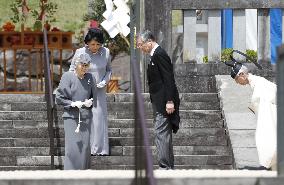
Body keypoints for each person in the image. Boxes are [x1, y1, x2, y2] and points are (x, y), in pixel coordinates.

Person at [137, 30, 180, 170]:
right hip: (159, 101)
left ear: (149, 42)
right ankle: (168, 167)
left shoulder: (160, 54)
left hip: (164, 102)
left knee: (161, 133)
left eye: (141, 44)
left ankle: (164, 167)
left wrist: (169, 100)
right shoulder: (154, 55)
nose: (140, 47)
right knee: (164, 134)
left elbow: (168, 79)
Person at [225, 61, 277, 170]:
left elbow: (266, 105)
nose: (237, 83)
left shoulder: (260, 83)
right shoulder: (257, 83)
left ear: (241, 75)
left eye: (236, 80)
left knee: (265, 136)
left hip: (271, 116)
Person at [69, 28, 112, 156]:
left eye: (98, 44)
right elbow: (71, 69)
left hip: (99, 91)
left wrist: (104, 82)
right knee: (83, 119)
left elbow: (109, 70)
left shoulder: (106, 52)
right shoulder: (80, 52)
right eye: (92, 44)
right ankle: (83, 149)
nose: (95, 47)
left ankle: (99, 149)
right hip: (83, 90)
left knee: (98, 120)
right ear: (87, 42)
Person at [56, 53, 96, 170]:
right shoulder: (67, 76)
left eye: (87, 65)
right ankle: (70, 176)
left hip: (85, 117)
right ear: (76, 64)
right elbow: (59, 98)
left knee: (85, 148)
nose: (84, 68)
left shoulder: (90, 78)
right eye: (82, 65)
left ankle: (84, 176)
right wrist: (72, 103)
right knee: (73, 148)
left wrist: (90, 102)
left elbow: (94, 97)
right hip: (71, 117)